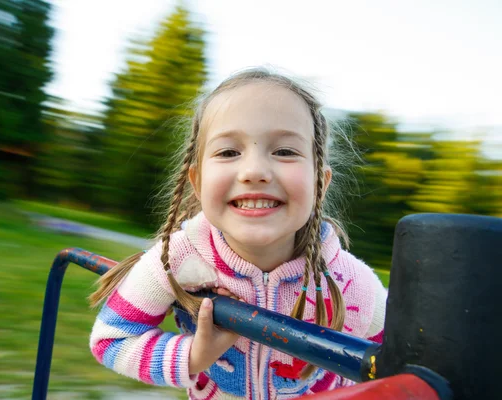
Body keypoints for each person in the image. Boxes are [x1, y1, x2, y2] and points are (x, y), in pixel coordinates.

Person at [88, 68, 387, 399]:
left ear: (320, 183)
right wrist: (195, 356)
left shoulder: (351, 282)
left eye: (285, 151)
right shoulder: (177, 259)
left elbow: (399, 364)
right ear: (197, 182)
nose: (255, 171)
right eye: (229, 152)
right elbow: (112, 338)